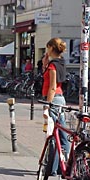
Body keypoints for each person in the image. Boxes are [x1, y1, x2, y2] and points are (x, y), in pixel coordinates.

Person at [42, 37, 68, 176]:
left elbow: (52, 87)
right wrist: (45, 64)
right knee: (60, 133)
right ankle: (60, 166)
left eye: (47, 48)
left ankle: (53, 168)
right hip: (60, 99)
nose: (46, 51)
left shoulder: (53, 66)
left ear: (51, 48)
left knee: (55, 134)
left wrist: (47, 106)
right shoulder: (60, 63)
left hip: (54, 100)